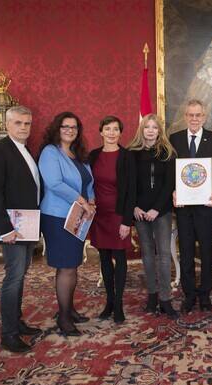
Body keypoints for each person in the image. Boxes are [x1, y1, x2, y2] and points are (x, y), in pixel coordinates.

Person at [0, 105, 42, 353]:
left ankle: (16, 323)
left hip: (27, 225)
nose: (24, 128)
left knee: (21, 276)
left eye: (27, 123)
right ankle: (8, 334)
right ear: (7, 125)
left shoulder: (26, 150)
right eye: (18, 123)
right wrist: (4, 228)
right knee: (13, 277)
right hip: (12, 229)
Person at [38, 112, 95, 337]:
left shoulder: (78, 154)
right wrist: (82, 200)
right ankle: (63, 318)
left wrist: (90, 199)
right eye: (65, 127)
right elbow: (54, 184)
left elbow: (87, 182)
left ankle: (69, 310)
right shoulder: (50, 152)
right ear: (57, 129)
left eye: (74, 127)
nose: (70, 130)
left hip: (78, 216)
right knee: (66, 266)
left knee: (73, 263)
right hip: (56, 216)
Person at [170, 99, 212, 313]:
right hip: (183, 207)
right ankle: (189, 294)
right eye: (190, 115)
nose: (194, 119)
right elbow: (171, 174)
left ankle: (205, 294)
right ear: (186, 116)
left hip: (206, 206)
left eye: (198, 115)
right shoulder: (174, 139)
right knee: (186, 250)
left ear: (204, 117)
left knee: (207, 250)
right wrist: (173, 192)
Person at [128, 113, 179, 319]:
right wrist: (134, 208)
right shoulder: (131, 153)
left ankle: (165, 299)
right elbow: (129, 184)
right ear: (142, 130)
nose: (150, 130)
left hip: (162, 212)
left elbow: (169, 184)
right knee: (148, 255)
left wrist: (156, 209)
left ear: (160, 131)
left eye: (154, 127)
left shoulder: (168, 153)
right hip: (139, 212)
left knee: (164, 255)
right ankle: (152, 296)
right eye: (147, 127)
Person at [88, 116, 136, 324]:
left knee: (120, 258)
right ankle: (109, 301)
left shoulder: (127, 157)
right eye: (107, 129)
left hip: (118, 213)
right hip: (98, 215)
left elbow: (132, 191)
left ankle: (118, 305)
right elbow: (87, 183)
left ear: (120, 132)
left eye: (115, 129)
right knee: (104, 259)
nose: (111, 132)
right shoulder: (93, 156)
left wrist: (127, 221)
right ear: (101, 131)